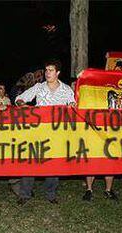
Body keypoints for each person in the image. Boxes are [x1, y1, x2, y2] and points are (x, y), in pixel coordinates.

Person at [15, 59, 75, 205]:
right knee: (30, 161)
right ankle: (25, 194)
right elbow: (19, 99)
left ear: (58, 73)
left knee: (53, 164)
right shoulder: (38, 87)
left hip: (56, 133)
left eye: (51, 70)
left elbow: (73, 107)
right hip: (37, 132)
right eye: (46, 70)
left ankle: (51, 194)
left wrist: (72, 106)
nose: (47, 73)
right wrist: (22, 104)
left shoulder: (67, 90)